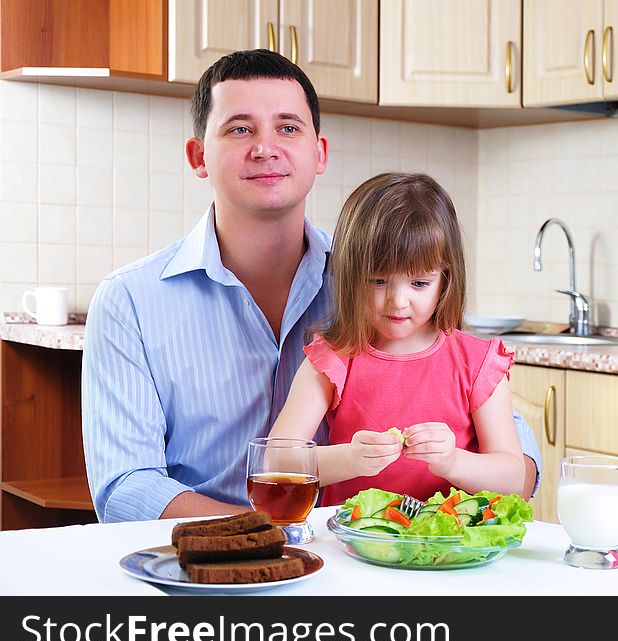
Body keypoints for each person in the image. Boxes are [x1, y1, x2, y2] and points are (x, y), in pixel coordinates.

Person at [81, 49, 540, 523]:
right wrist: (260, 537)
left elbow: (502, 443)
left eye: (288, 128)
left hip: (373, 555)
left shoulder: (381, 279)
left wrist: (468, 465)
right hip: (204, 560)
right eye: (240, 129)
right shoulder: (129, 302)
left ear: (319, 153)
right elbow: (126, 487)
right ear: (199, 156)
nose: (265, 147)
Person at [269, 173, 524, 504]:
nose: (398, 301)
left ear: (446, 280)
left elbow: (513, 479)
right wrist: (349, 460)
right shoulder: (332, 358)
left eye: (419, 283)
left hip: (452, 546)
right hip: (353, 543)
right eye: (378, 281)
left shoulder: (477, 363)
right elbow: (275, 460)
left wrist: (453, 461)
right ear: (350, 276)